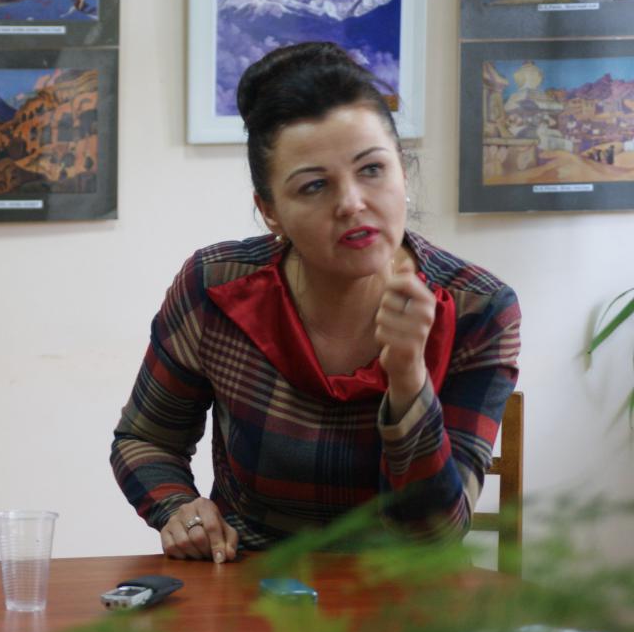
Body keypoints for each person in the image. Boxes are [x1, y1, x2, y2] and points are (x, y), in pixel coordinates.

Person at [111, 42, 520, 563]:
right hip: (247, 582)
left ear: (402, 171)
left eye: (371, 169)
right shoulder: (216, 286)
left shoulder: (477, 308)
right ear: (269, 211)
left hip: (398, 591)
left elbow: (436, 534)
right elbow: (144, 439)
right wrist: (179, 507)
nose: (351, 202)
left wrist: (408, 379)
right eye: (314, 186)